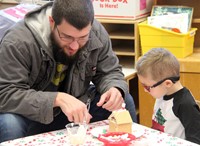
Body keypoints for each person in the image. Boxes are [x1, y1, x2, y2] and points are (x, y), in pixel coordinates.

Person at [0, 0, 137, 143]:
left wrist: (114, 88)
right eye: (67, 37)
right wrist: (57, 99)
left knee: (124, 100)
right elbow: (5, 93)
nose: (74, 46)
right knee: (9, 123)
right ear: (52, 21)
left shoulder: (96, 32)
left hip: (75, 112)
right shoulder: (18, 42)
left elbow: (110, 71)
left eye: (83, 38)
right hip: (31, 116)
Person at [136, 48, 200, 144]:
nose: (145, 90)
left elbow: (195, 140)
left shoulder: (185, 104)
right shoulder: (163, 93)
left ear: (167, 83)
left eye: (147, 87)